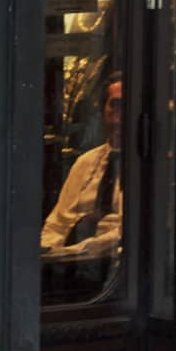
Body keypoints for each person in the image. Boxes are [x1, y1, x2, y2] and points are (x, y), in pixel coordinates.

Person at [41, 77, 124, 259]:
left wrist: (80, 250)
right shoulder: (85, 163)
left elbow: (124, 234)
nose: (120, 118)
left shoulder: (150, 170)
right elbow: (56, 224)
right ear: (103, 111)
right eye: (115, 106)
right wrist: (48, 252)